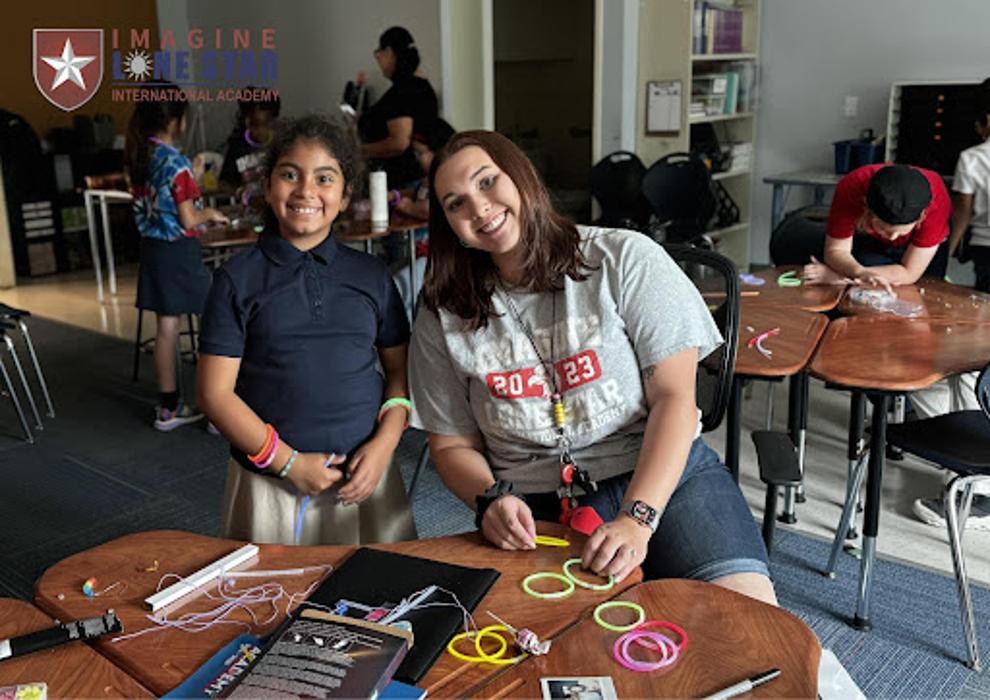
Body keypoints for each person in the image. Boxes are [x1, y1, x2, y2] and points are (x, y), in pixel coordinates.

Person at [408, 130, 776, 605]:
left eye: (487, 182)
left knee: (748, 622)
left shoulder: (623, 257)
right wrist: (489, 500)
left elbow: (675, 401)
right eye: (456, 203)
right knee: (555, 660)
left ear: (521, 177)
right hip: (533, 501)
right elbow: (452, 443)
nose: (478, 208)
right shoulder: (444, 311)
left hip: (665, 474)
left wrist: (637, 518)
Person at [197, 115, 416, 546]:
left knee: (375, 600)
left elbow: (399, 374)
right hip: (272, 483)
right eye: (290, 174)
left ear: (346, 192)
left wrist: (386, 443)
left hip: (365, 477)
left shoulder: (371, 275)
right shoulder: (238, 280)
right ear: (268, 184)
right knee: (272, 601)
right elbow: (214, 394)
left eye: (325, 178)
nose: (306, 191)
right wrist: (287, 462)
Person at [125, 89, 229, 431]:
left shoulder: (143, 156)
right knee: (213, 319)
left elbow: (163, 203)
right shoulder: (177, 163)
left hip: (152, 250)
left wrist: (192, 180)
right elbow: (188, 219)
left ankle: (168, 408)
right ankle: (215, 410)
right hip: (179, 252)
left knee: (167, 328)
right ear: (175, 120)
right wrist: (210, 211)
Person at [800, 163, 951, 290]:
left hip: (921, 252)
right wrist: (859, 272)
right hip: (871, 243)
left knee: (929, 290)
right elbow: (836, 250)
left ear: (922, 216)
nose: (893, 237)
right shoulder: (852, 187)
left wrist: (840, 277)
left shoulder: (937, 202)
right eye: (884, 230)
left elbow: (910, 273)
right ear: (866, 210)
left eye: (901, 232)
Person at [359, 26, 439, 189]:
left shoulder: (403, 91)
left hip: (403, 183)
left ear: (389, 52)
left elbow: (399, 143)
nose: (378, 59)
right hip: (414, 179)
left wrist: (359, 150)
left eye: (378, 54)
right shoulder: (421, 87)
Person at [948, 87, 990, 292]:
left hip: (986, 246)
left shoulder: (972, 157)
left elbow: (962, 213)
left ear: (987, 120)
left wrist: (946, 253)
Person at [219, 89, 281, 187]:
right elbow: (225, 182)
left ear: (272, 121)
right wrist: (240, 192)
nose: (253, 130)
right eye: (251, 123)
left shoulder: (281, 145)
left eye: (259, 124)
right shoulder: (237, 147)